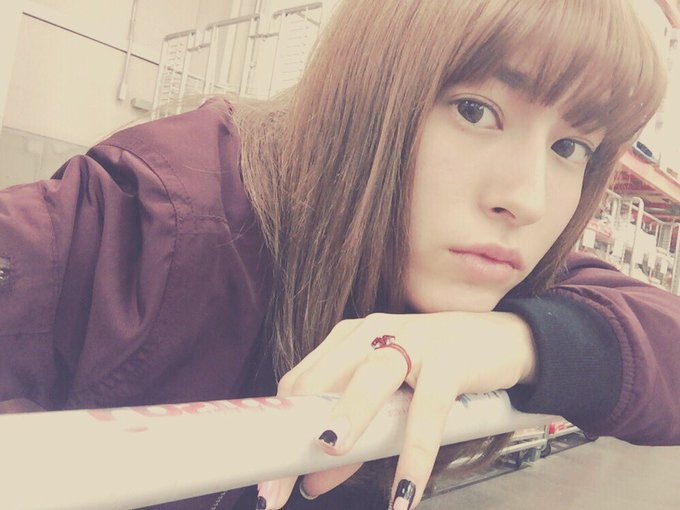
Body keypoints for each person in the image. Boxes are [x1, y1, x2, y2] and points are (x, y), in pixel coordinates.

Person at [1, 0, 679, 509]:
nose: (525, 199)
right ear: (370, 96)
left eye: (570, 148)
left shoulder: (501, 274)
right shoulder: (162, 219)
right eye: (475, 111)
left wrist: (515, 339)